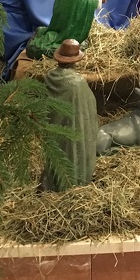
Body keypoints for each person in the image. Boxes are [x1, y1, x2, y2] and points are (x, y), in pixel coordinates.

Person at [41, 39, 99, 192]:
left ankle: (54, 180)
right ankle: (75, 180)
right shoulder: (77, 82)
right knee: (74, 151)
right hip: (74, 126)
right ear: (76, 60)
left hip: (55, 126)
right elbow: (88, 105)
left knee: (57, 150)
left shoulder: (50, 77)